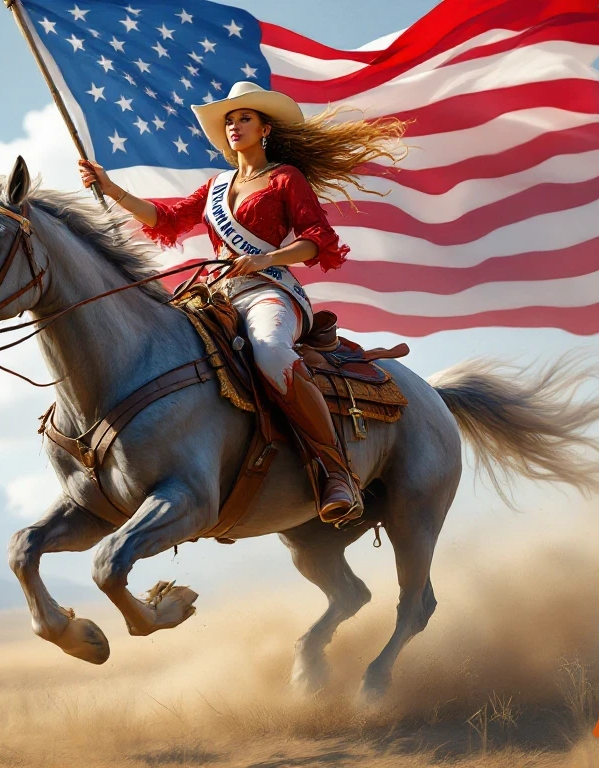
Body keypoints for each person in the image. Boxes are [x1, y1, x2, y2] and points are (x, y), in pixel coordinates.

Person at [78, 81, 405, 525]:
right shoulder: (217, 185)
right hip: (214, 293)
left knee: (270, 353)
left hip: (271, 291)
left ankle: (336, 470)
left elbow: (317, 241)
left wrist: (268, 258)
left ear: (264, 128)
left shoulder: (286, 178)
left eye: (244, 118)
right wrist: (111, 188)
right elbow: (167, 218)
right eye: (229, 121)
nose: (234, 126)